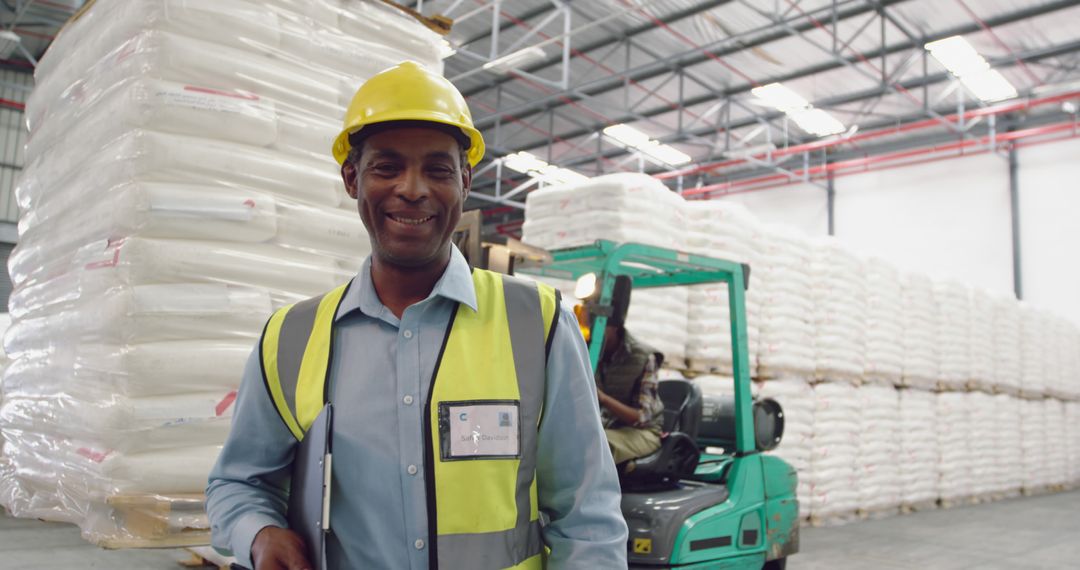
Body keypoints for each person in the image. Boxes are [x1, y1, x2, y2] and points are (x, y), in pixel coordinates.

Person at [205, 61, 628, 570]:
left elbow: (587, 517)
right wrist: (261, 532)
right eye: (386, 167)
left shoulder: (535, 324)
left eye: (437, 169)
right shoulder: (291, 339)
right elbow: (237, 482)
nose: (412, 188)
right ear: (351, 178)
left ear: (465, 181)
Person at [593, 278, 665, 468]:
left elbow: (642, 417)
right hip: (609, 426)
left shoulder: (643, 357)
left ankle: (587, 498)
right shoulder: (591, 352)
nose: (593, 332)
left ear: (615, 326)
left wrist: (603, 399)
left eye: (599, 326)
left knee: (592, 445)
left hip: (645, 432)